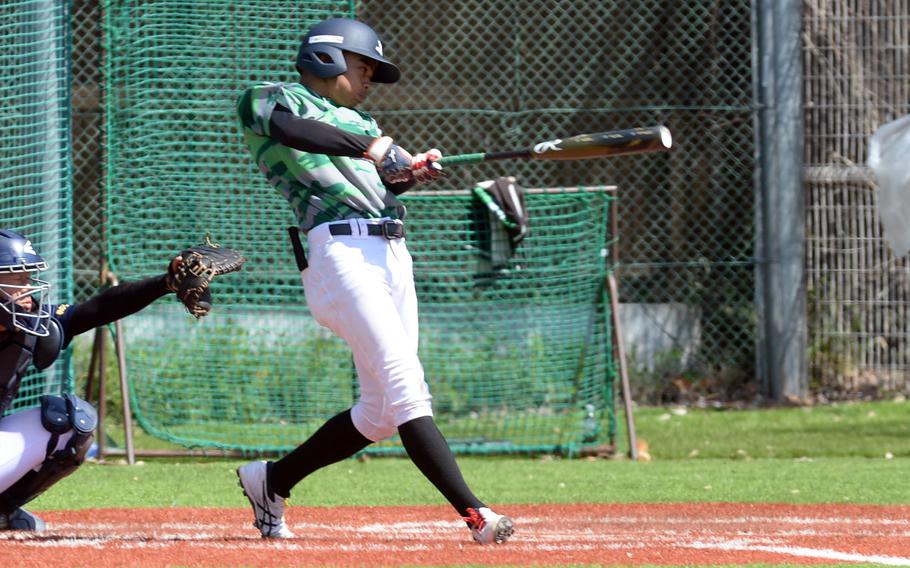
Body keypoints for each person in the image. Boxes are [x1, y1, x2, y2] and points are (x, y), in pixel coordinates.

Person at [235, 18, 514, 545]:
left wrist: (412, 170)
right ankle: (476, 515)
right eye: (364, 67)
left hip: (391, 253)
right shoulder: (269, 98)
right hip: (339, 253)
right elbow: (294, 131)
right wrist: (373, 147)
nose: (370, 80)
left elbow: (386, 173)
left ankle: (271, 480)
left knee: (381, 413)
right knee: (407, 386)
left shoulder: (359, 120)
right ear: (328, 59)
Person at [0, 229, 191, 531]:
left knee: (72, 422)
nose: (28, 290)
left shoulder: (27, 320)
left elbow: (96, 310)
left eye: (28, 277)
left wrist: (165, 283)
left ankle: (3, 511)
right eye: (17, 279)